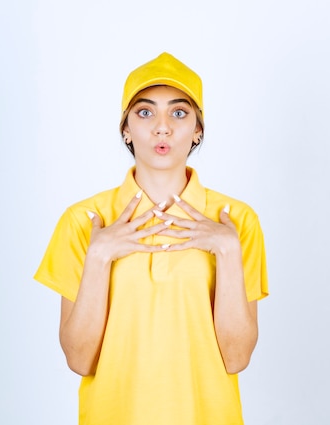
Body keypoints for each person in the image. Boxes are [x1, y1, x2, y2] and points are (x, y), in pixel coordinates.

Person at [34, 52, 268, 425]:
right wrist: (99, 256)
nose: (162, 128)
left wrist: (226, 250)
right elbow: (80, 360)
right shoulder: (84, 220)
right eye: (145, 112)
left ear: (198, 131)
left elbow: (236, 357)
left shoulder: (236, 221)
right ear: (125, 129)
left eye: (179, 113)